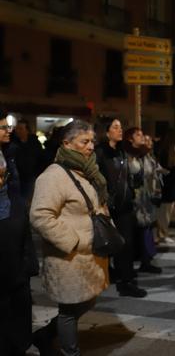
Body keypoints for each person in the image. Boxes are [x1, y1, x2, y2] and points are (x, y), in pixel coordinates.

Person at [30, 120, 110, 356]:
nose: (91, 147)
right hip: (69, 256)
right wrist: (73, 241)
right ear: (67, 143)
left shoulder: (87, 169)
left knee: (87, 301)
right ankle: (69, 352)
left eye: (92, 141)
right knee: (69, 309)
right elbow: (40, 215)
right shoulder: (53, 176)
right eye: (85, 142)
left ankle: (44, 336)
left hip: (89, 255)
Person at [95, 118, 147, 298]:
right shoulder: (100, 152)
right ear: (106, 131)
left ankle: (126, 281)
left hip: (124, 205)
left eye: (121, 126)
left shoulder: (122, 152)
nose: (120, 130)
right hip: (108, 206)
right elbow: (98, 180)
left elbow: (125, 179)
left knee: (126, 244)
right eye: (115, 127)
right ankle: (114, 277)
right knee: (107, 243)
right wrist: (103, 202)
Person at [0, 111, 34, 356]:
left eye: (7, 126)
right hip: (4, 228)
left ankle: (18, 343)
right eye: (2, 127)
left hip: (14, 225)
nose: (8, 130)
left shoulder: (10, 152)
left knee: (19, 291)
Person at [123, 127, 162, 274]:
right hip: (133, 199)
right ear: (130, 139)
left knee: (146, 230)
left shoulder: (145, 154)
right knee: (132, 232)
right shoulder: (127, 155)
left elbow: (152, 172)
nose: (142, 137)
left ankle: (146, 261)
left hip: (146, 198)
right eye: (138, 135)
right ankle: (130, 266)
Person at [12, 119, 44, 205]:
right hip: (17, 178)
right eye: (17, 128)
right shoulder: (13, 143)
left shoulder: (34, 143)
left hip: (31, 177)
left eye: (21, 128)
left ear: (27, 130)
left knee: (28, 200)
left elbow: (40, 159)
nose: (18, 131)